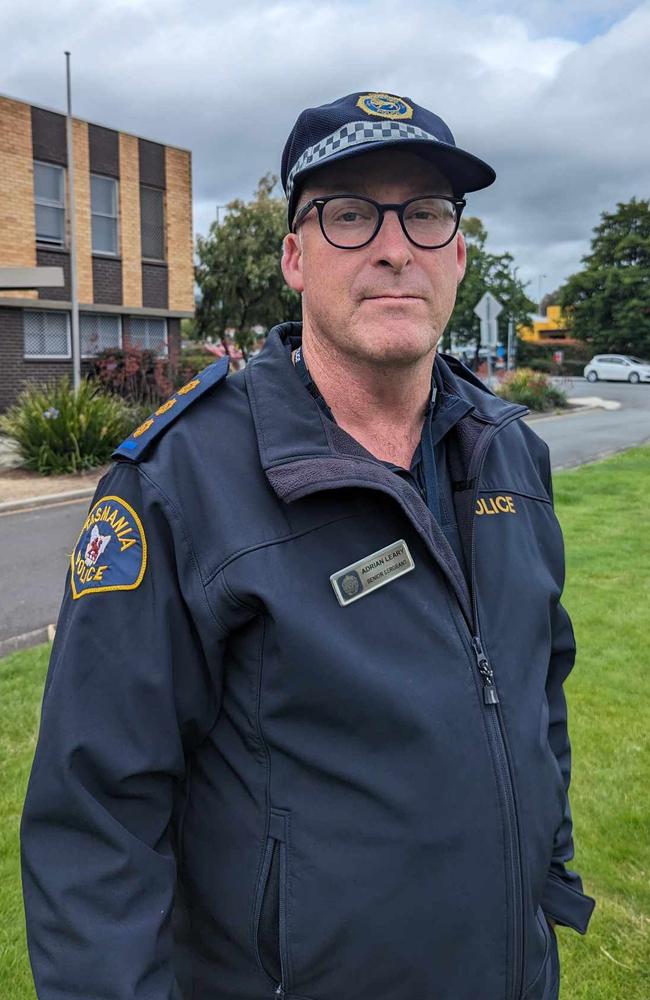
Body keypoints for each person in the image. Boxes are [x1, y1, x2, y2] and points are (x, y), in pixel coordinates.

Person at [21, 91, 594, 1000]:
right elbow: (97, 816)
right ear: (295, 255)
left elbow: (535, 690)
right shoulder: (182, 481)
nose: (394, 246)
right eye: (350, 214)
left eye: (428, 213)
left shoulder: (509, 451)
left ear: (459, 251)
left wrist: (548, 874)